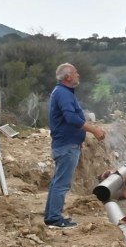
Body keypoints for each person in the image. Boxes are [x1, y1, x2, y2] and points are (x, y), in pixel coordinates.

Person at [45, 62, 105, 229]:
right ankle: (55, 219)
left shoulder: (62, 92)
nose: (79, 75)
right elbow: (71, 118)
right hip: (66, 145)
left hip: (64, 144)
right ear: (68, 77)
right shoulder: (63, 93)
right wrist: (93, 130)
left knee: (58, 182)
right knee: (62, 183)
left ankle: (51, 216)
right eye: (76, 72)